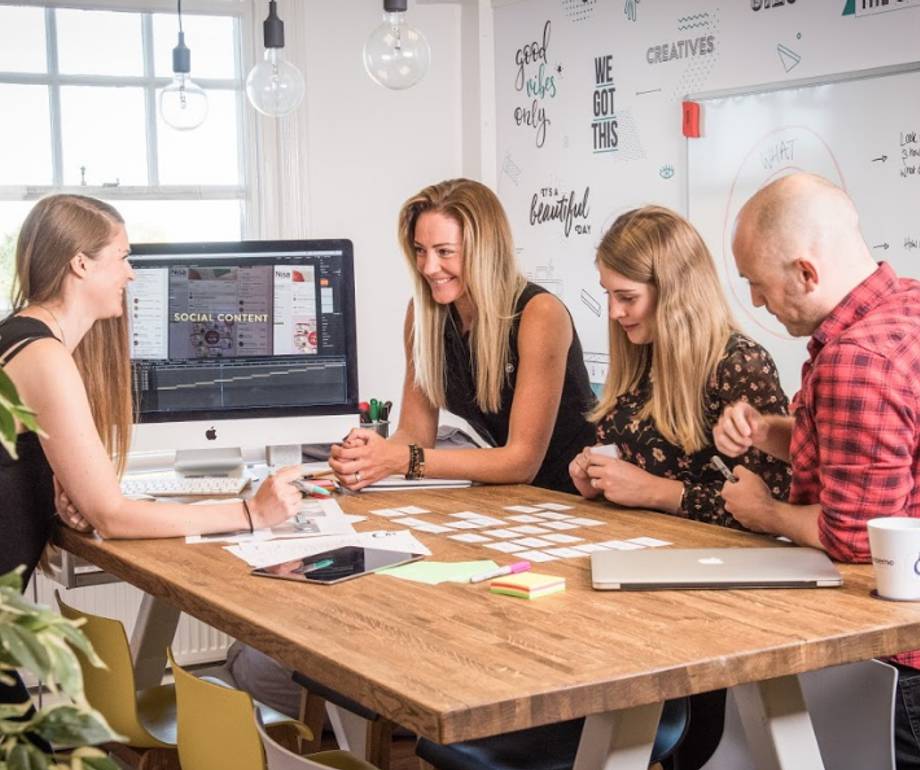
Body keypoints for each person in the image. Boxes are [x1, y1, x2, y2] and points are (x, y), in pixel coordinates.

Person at [0, 194, 303, 706]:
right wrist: (251, 512)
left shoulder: (18, 337)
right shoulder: (44, 357)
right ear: (80, 263)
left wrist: (56, 495)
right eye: (122, 256)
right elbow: (112, 516)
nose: (132, 273)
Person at [712, 172, 920, 769]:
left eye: (758, 283)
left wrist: (765, 512)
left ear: (805, 273)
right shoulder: (901, 310)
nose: (755, 302)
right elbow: (866, 450)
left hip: (893, 664)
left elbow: (859, 537)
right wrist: (768, 431)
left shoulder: (858, 359)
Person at [328, 178, 596, 493]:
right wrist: (373, 452)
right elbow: (414, 435)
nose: (429, 267)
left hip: (580, 496)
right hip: (517, 497)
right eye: (420, 250)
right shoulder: (423, 316)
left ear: (484, 250)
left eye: (445, 251)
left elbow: (522, 462)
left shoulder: (540, 314)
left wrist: (402, 460)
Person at [568, 205, 791, 528]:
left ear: (674, 293)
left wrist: (656, 493)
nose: (615, 312)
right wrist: (598, 479)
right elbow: (632, 474)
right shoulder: (640, 355)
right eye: (609, 295)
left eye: (627, 298)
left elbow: (772, 505)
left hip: (713, 558)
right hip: (636, 540)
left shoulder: (738, 365)